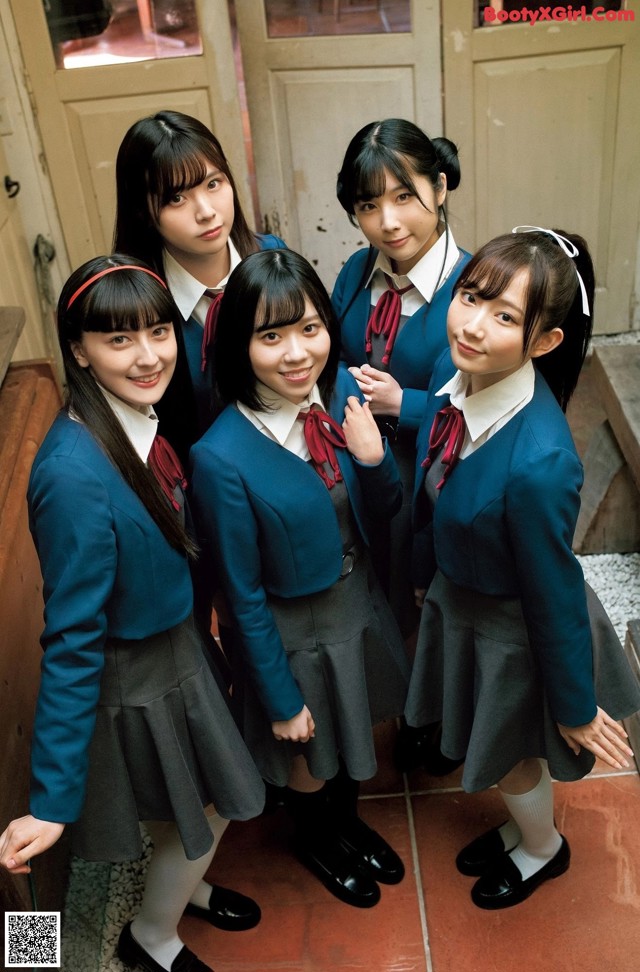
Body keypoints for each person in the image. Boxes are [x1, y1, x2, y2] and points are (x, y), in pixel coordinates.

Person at [0, 256, 266, 972]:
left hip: (176, 645)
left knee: (194, 808)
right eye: (119, 340)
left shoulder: (133, 419)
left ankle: (184, 892)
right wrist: (51, 803)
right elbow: (73, 635)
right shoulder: (72, 473)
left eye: (158, 331)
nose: (148, 356)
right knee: (207, 809)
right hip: (135, 675)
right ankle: (151, 935)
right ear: (78, 350)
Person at [405, 226, 640, 910]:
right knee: (498, 752)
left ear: (545, 342)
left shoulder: (540, 464)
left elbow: (554, 587)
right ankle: (524, 830)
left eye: (504, 316)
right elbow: (440, 460)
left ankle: (543, 848)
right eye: (471, 297)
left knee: (511, 758)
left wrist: (573, 705)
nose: (473, 325)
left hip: (512, 626)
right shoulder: (452, 381)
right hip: (464, 598)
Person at [188, 249, 410, 910]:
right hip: (291, 632)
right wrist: (280, 698)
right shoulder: (219, 457)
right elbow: (240, 594)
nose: (296, 353)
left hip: (354, 607)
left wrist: (373, 463)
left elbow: (386, 513)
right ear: (239, 344)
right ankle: (316, 837)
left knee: (351, 731)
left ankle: (347, 823)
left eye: (309, 328)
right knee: (309, 754)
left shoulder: (340, 389)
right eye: (270, 335)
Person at [333, 117, 472, 775]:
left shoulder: (473, 291)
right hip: (366, 474)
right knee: (377, 592)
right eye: (367, 205)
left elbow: (489, 409)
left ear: (439, 187)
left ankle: (436, 720)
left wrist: (405, 404)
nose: (387, 222)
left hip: (433, 486)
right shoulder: (356, 274)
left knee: (427, 601)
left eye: (404, 197)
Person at [113, 109, 286, 436]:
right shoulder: (135, 306)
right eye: (176, 198)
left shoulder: (272, 257)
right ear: (143, 212)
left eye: (213, 183)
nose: (206, 212)